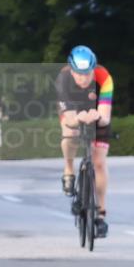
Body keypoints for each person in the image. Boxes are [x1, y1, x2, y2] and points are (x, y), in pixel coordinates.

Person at [56, 45, 114, 238]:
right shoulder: (63, 79)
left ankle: (101, 214)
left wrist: (97, 117)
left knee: (98, 162)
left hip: (96, 113)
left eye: (87, 74)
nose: (83, 78)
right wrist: (80, 118)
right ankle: (69, 169)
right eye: (79, 74)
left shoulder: (104, 78)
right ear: (71, 70)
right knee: (70, 134)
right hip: (74, 112)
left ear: (93, 69)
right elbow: (70, 119)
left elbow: (105, 117)